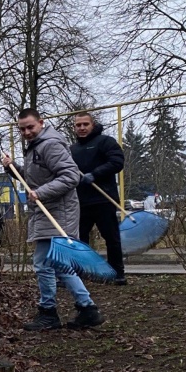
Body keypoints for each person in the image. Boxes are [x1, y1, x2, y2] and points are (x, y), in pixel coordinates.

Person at [2, 108, 105, 330]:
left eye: (30, 127)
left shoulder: (50, 144)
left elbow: (70, 176)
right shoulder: (36, 146)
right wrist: (13, 168)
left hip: (58, 212)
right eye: (22, 129)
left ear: (41, 122)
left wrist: (42, 193)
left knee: (43, 264)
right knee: (59, 265)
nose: (27, 132)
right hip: (47, 211)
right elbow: (35, 178)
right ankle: (88, 309)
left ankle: (48, 312)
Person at [70, 112, 127, 286]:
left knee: (111, 238)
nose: (81, 128)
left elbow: (117, 161)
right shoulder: (71, 150)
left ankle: (117, 273)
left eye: (85, 124)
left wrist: (95, 174)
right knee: (79, 240)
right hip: (80, 202)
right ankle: (79, 273)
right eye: (78, 125)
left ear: (92, 125)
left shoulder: (105, 142)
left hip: (104, 199)